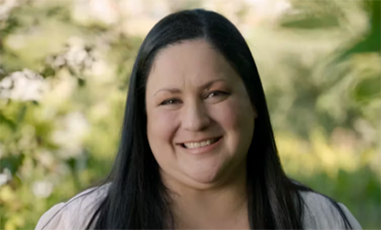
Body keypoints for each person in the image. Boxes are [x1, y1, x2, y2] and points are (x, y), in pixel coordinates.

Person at [35, 9, 362, 230]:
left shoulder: (321, 220)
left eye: (215, 94)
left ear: (253, 101)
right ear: (142, 118)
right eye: (170, 101)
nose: (194, 121)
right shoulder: (81, 222)